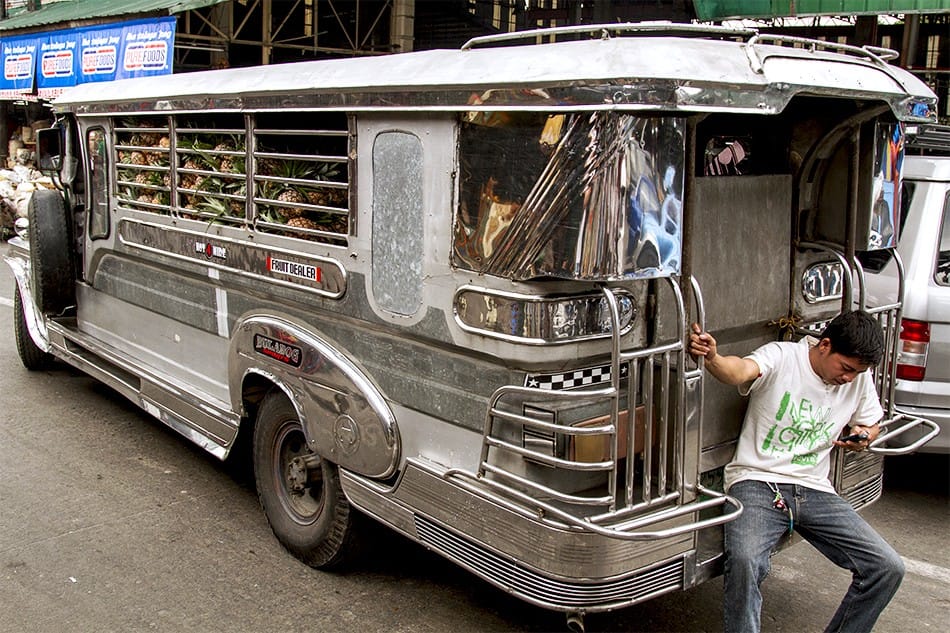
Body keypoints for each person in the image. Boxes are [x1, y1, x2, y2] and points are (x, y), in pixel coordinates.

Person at [689, 310, 904, 633]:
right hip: (758, 481)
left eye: (857, 373)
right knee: (746, 562)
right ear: (824, 345)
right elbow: (740, 371)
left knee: (888, 567)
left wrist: (863, 437)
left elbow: (870, 423)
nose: (848, 378)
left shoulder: (857, 379)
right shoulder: (784, 357)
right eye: (845, 368)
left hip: (814, 487)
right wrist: (714, 358)